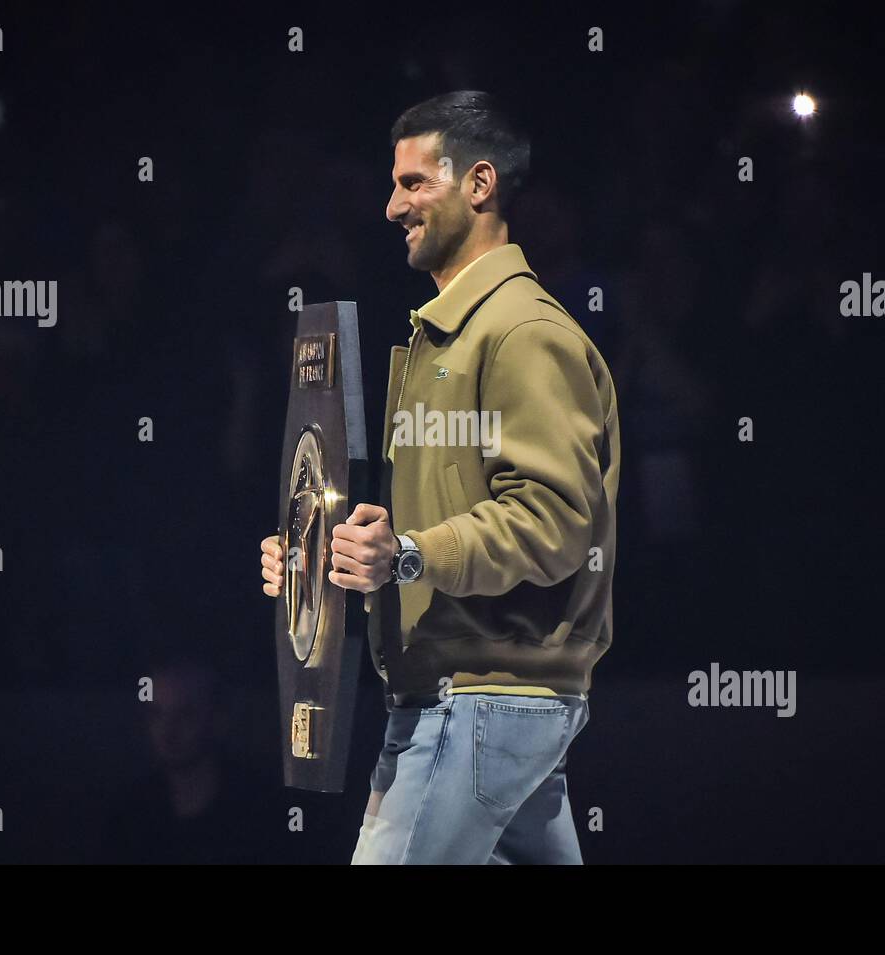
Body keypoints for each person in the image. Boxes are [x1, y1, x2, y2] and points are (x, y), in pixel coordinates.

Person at [261, 91, 620, 864]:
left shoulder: (523, 333)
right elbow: (408, 525)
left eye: (414, 182)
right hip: (471, 691)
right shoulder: (447, 336)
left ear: (480, 185)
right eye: (395, 184)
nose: (393, 205)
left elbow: (555, 523)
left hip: (480, 695)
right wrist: (311, 554)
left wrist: (410, 554)